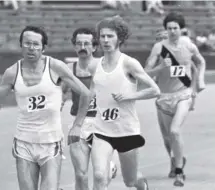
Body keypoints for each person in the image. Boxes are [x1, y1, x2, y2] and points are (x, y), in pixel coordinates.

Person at [0, 25, 91, 190]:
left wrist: (78, 124)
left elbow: (86, 93)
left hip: (51, 142)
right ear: (21, 46)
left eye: (35, 44)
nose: (31, 48)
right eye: (27, 43)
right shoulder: (12, 72)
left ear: (43, 48)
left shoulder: (55, 67)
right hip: (24, 142)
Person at [69, 15, 160, 190]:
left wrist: (129, 96)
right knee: (99, 175)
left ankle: (143, 185)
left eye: (110, 36)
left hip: (126, 130)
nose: (105, 40)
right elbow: (89, 95)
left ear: (120, 38)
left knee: (130, 181)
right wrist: (78, 124)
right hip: (102, 129)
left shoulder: (129, 64)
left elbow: (154, 90)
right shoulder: (95, 66)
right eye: (102, 36)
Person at [145, 12, 206, 186]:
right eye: (168, 29)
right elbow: (145, 72)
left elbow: (196, 66)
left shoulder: (188, 45)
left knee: (174, 131)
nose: (171, 32)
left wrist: (196, 86)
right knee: (167, 138)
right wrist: (160, 67)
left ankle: (179, 171)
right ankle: (175, 159)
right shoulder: (158, 49)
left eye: (175, 28)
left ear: (181, 29)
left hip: (183, 94)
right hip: (164, 97)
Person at [61, 27, 117, 190]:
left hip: (103, 124)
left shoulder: (106, 66)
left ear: (94, 47)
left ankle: (108, 168)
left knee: (99, 177)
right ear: (74, 46)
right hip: (79, 122)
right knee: (80, 175)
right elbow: (62, 93)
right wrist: (59, 105)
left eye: (87, 43)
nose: (82, 47)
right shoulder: (68, 69)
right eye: (79, 43)